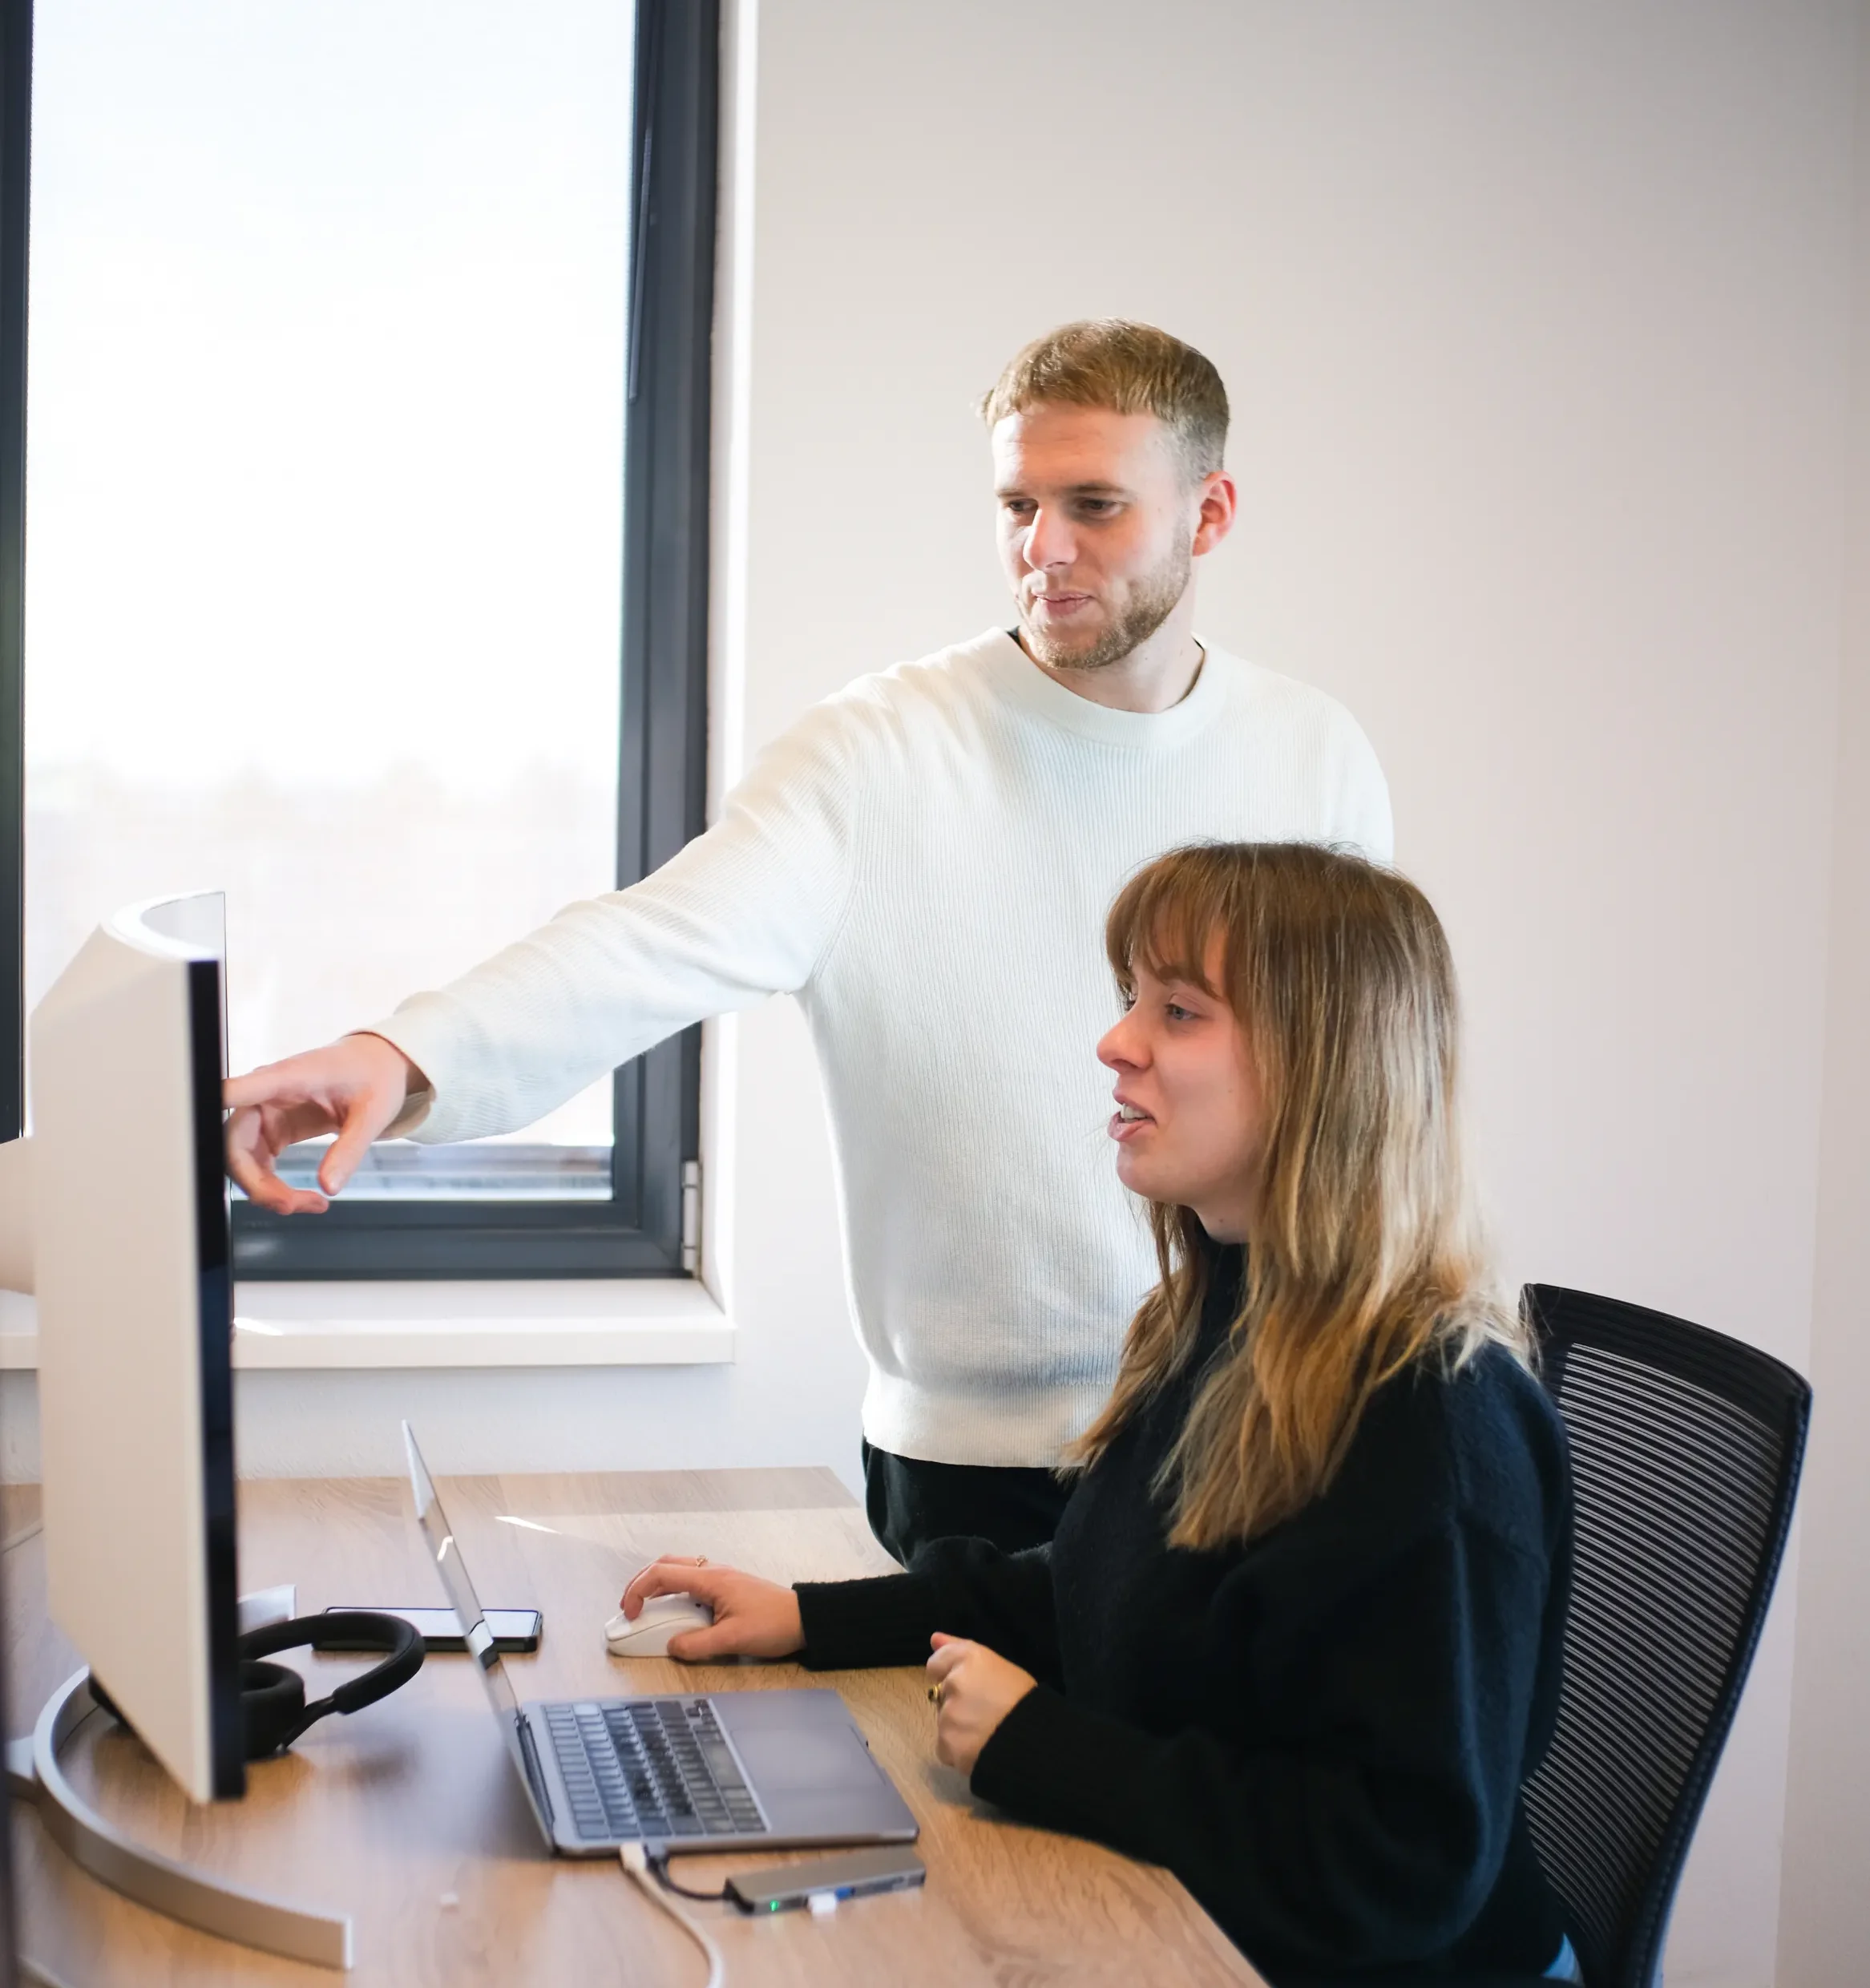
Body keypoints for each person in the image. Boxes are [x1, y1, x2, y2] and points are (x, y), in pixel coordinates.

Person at [224, 321, 1394, 1566]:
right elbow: (646, 946)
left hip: (1255, 1432)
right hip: (976, 1469)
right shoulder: (878, 751)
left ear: (1208, 515)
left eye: (1095, 505)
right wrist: (402, 1054)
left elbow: (1362, 1104)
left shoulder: (1314, 757)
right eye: (1017, 505)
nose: (1041, 550)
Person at [617, 842, 1580, 1986]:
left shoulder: (1434, 1425)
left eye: (1178, 1011)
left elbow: (1398, 1865)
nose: (1115, 1043)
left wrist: (1045, 1751)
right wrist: (807, 1619)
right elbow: (1093, 1583)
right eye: (1133, 1000)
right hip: (1197, 1921)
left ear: (1322, 1067)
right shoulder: (1223, 1319)